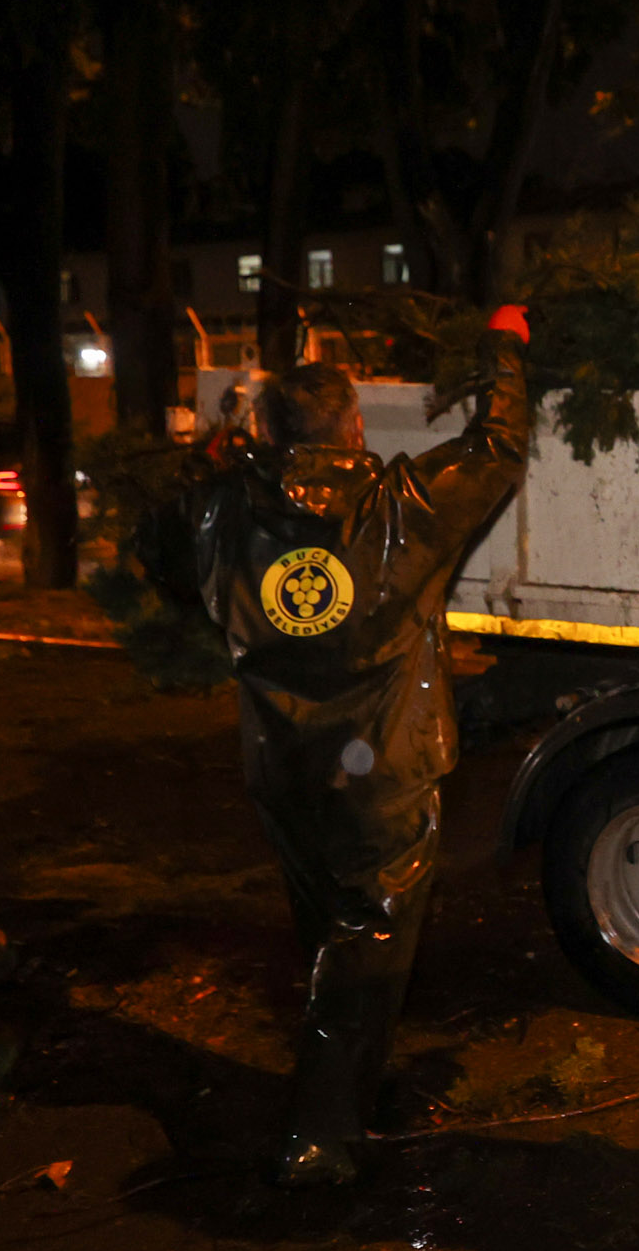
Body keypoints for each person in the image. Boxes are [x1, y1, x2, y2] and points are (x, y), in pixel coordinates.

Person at [189, 305, 532, 1187]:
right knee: (368, 938)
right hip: (379, 762)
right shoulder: (397, 508)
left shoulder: (225, 513)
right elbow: (495, 450)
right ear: (352, 426)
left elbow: (201, 571)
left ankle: (348, 1089)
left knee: (328, 930)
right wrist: (506, 349)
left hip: (281, 761)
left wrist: (231, 455)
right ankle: (321, 1131)